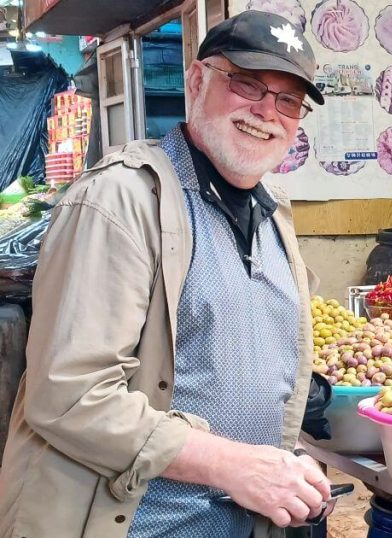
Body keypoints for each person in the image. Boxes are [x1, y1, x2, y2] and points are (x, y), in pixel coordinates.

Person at [0, 11, 335, 537]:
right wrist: (235, 466)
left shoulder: (273, 214)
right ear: (198, 80)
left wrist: (284, 461)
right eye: (247, 84)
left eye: (288, 100)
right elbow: (68, 395)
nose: (267, 112)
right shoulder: (119, 200)